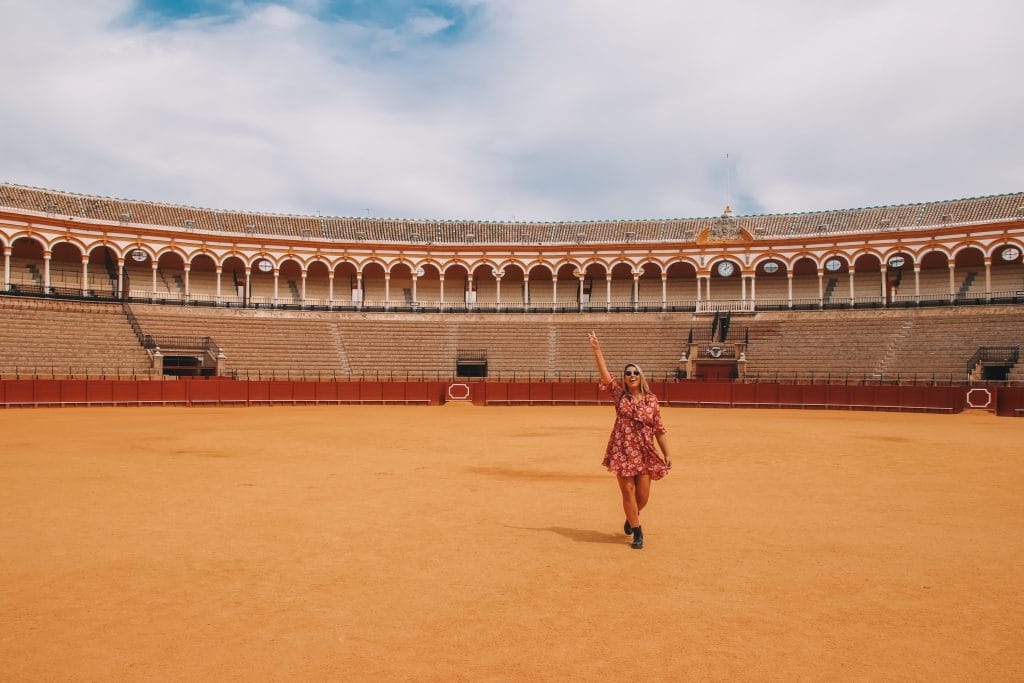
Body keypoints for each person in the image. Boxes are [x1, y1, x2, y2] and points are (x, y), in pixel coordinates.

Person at [588, 331, 671, 550]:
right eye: (628, 373)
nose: (631, 375)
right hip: (623, 450)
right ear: (624, 378)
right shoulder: (619, 395)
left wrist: (667, 453)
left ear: (640, 376)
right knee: (628, 493)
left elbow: (659, 429)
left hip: (644, 451)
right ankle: (637, 531)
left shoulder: (652, 401)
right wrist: (597, 349)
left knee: (642, 498)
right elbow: (605, 373)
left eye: (635, 372)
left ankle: (631, 516)